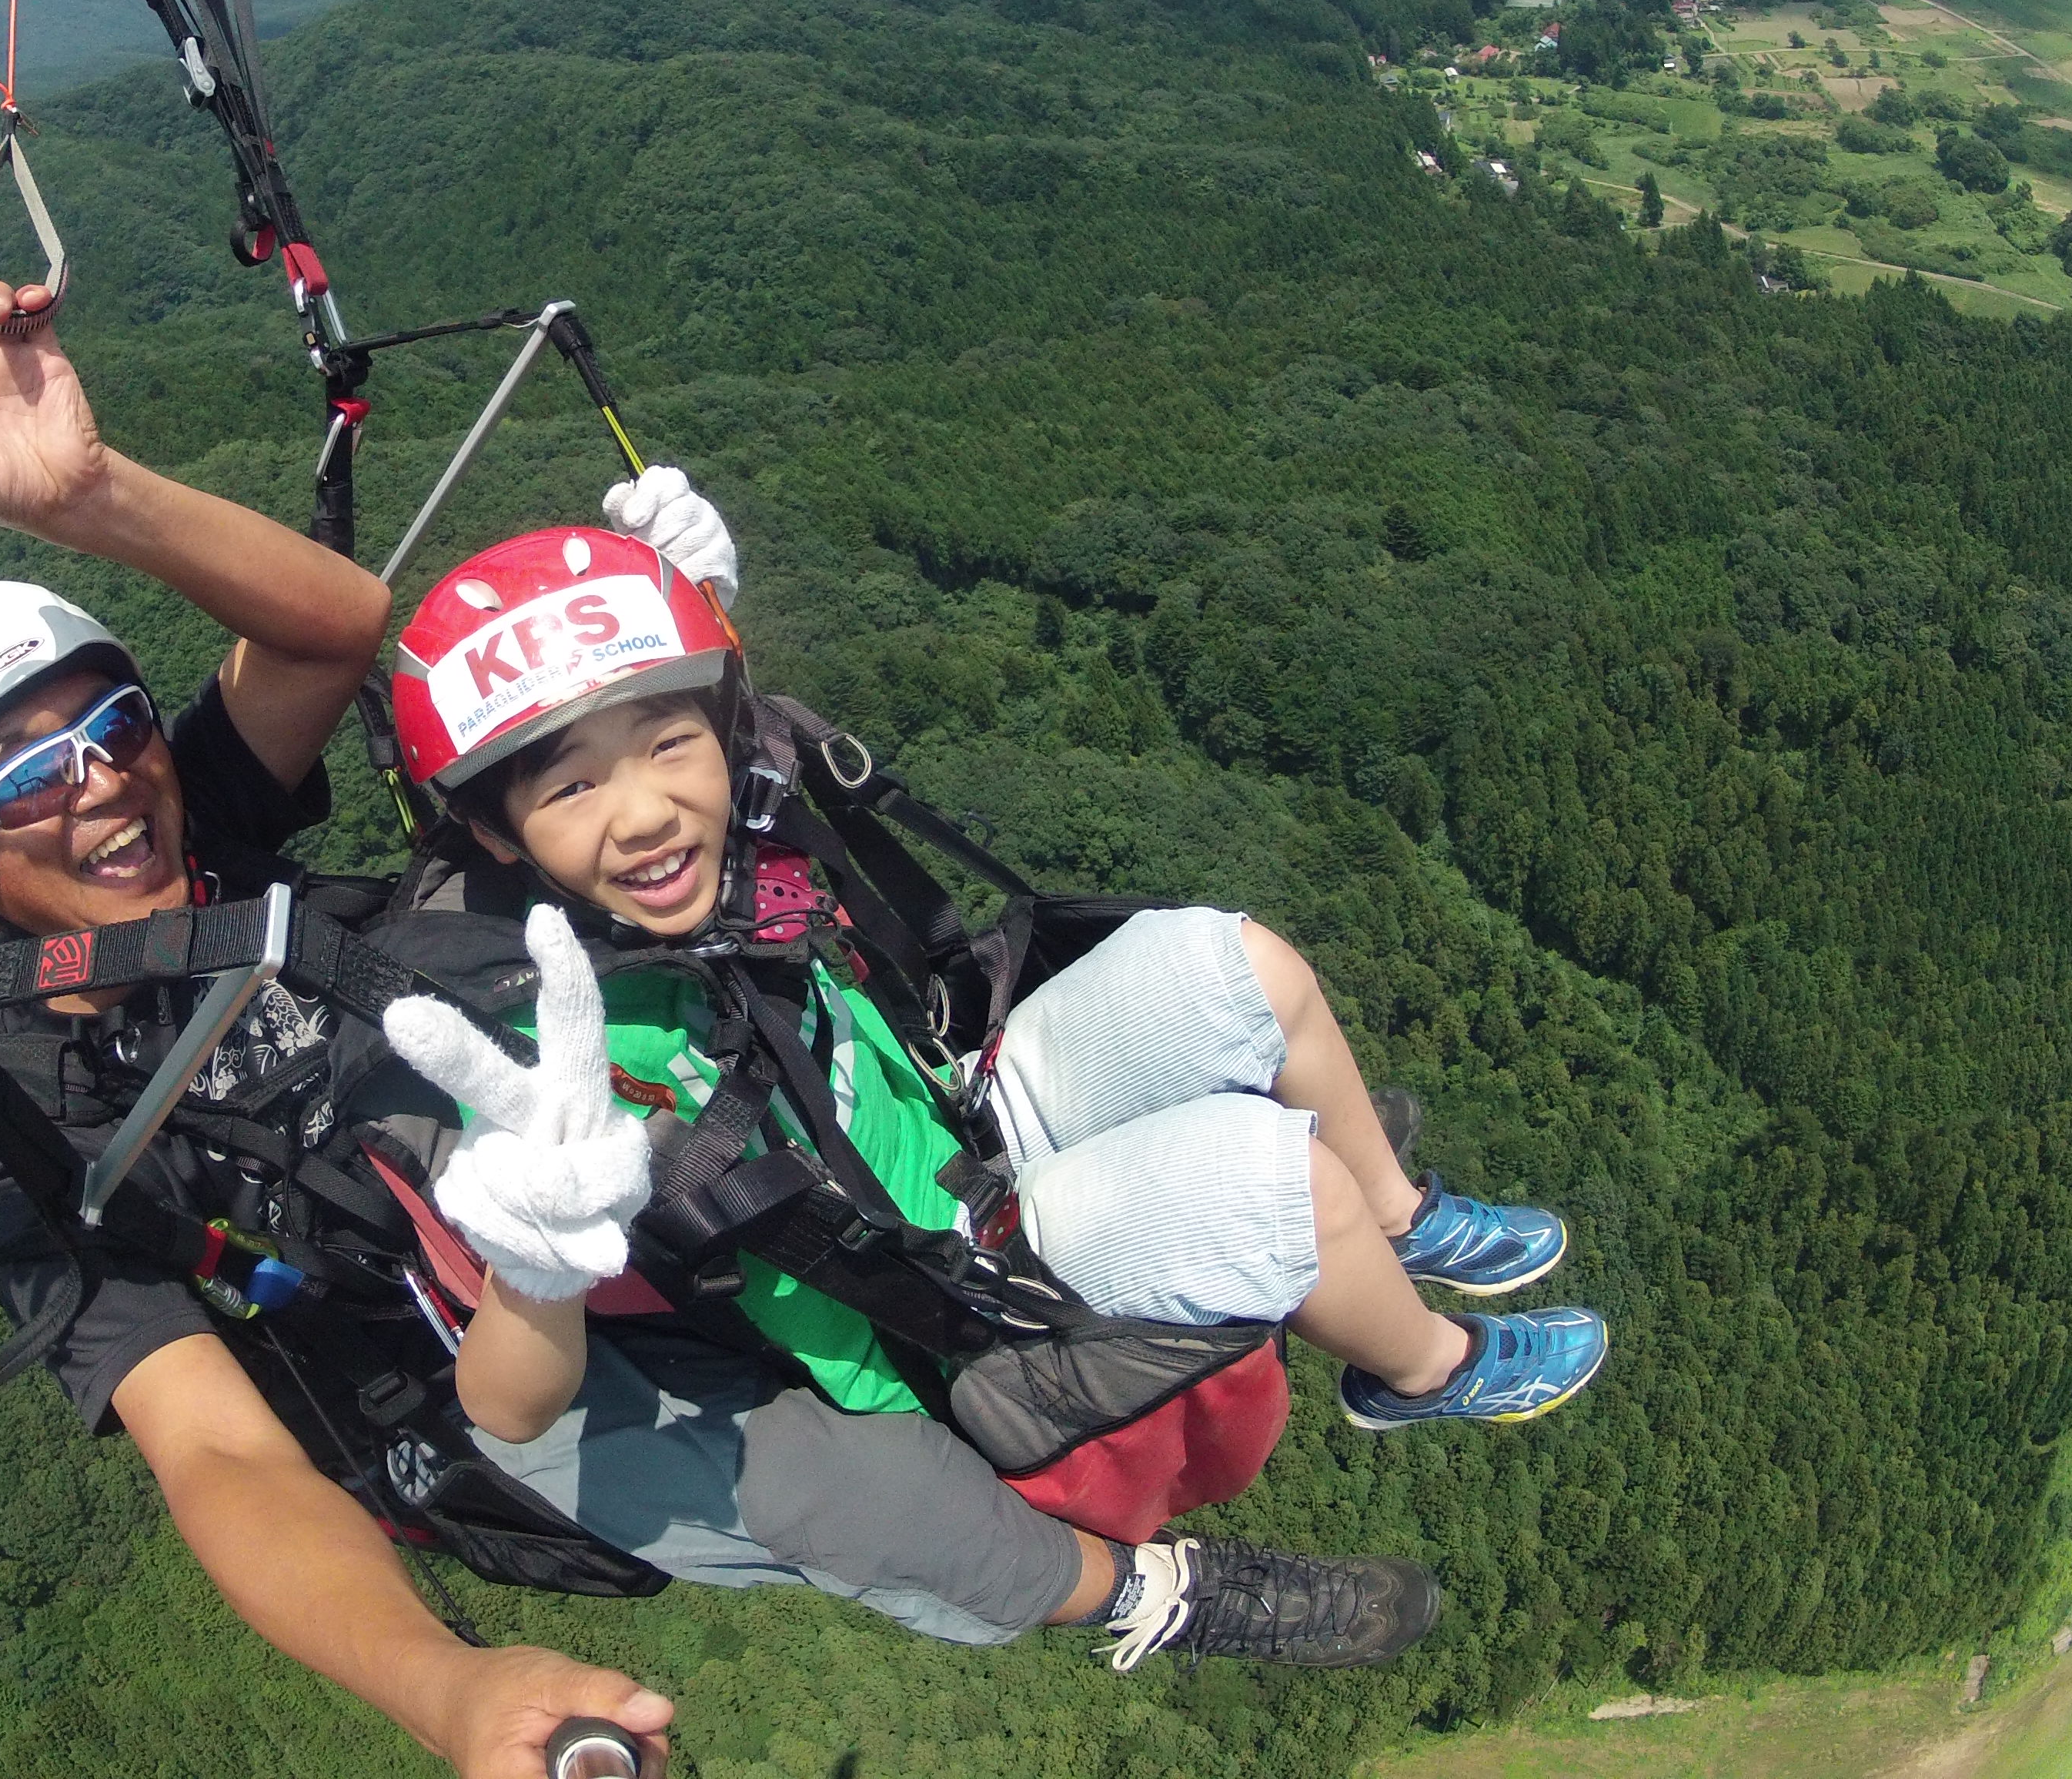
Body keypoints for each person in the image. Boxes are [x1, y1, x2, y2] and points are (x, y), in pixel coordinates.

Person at [369, 488, 1610, 1664]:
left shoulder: (726, 830)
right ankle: (1423, 1371)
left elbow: (743, 745)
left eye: (668, 743)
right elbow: (513, 1411)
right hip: (961, 1287)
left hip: (972, 1115)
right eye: (573, 784)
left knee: (1243, 964)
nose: (643, 812)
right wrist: (541, 1266)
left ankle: (1410, 1220)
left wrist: (699, 607)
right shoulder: (547, 1062)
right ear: (496, 833)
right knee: (1285, 1183)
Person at [0, 282, 677, 1779]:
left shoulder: (201, 828)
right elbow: (218, 1453)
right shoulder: (12, 1121)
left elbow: (334, 630)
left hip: (590, 1135)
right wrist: (448, 1691)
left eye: (113, 729)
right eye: (25, 786)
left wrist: (93, 500)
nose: (98, 786)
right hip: (464, 1328)